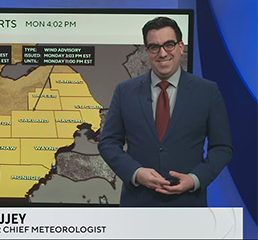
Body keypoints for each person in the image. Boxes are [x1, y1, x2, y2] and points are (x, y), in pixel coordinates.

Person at [98, 17, 233, 207]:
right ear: (146, 51)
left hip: (187, 206)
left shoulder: (207, 92)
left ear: (180, 46)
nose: (162, 53)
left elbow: (222, 147)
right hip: (138, 205)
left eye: (169, 45)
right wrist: (136, 173)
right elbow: (108, 143)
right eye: (154, 47)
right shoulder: (125, 91)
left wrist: (195, 179)